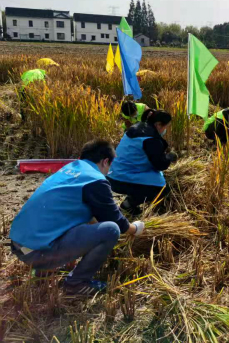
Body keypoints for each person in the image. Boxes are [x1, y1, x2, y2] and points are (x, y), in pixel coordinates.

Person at [9, 140, 144, 296]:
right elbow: (117, 222)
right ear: (105, 161)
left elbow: (84, 217)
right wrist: (136, 228)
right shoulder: (95, 180)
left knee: (70, 221)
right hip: (36, 253)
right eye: (109, 166)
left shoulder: (69, 169)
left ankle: (43, 272)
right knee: (111, 230)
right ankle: (76, 283)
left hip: (19, 246)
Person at [108, 109, 178, 215]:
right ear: (158, 124)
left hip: (112, 173)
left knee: (154, 178)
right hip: (120, 179)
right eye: (165, 127)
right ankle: (128, 205)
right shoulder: (151, 139)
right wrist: (169, 157)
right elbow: (160, 165)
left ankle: (133, 198)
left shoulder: (137, 127)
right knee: (162, 189)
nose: (165, 130)